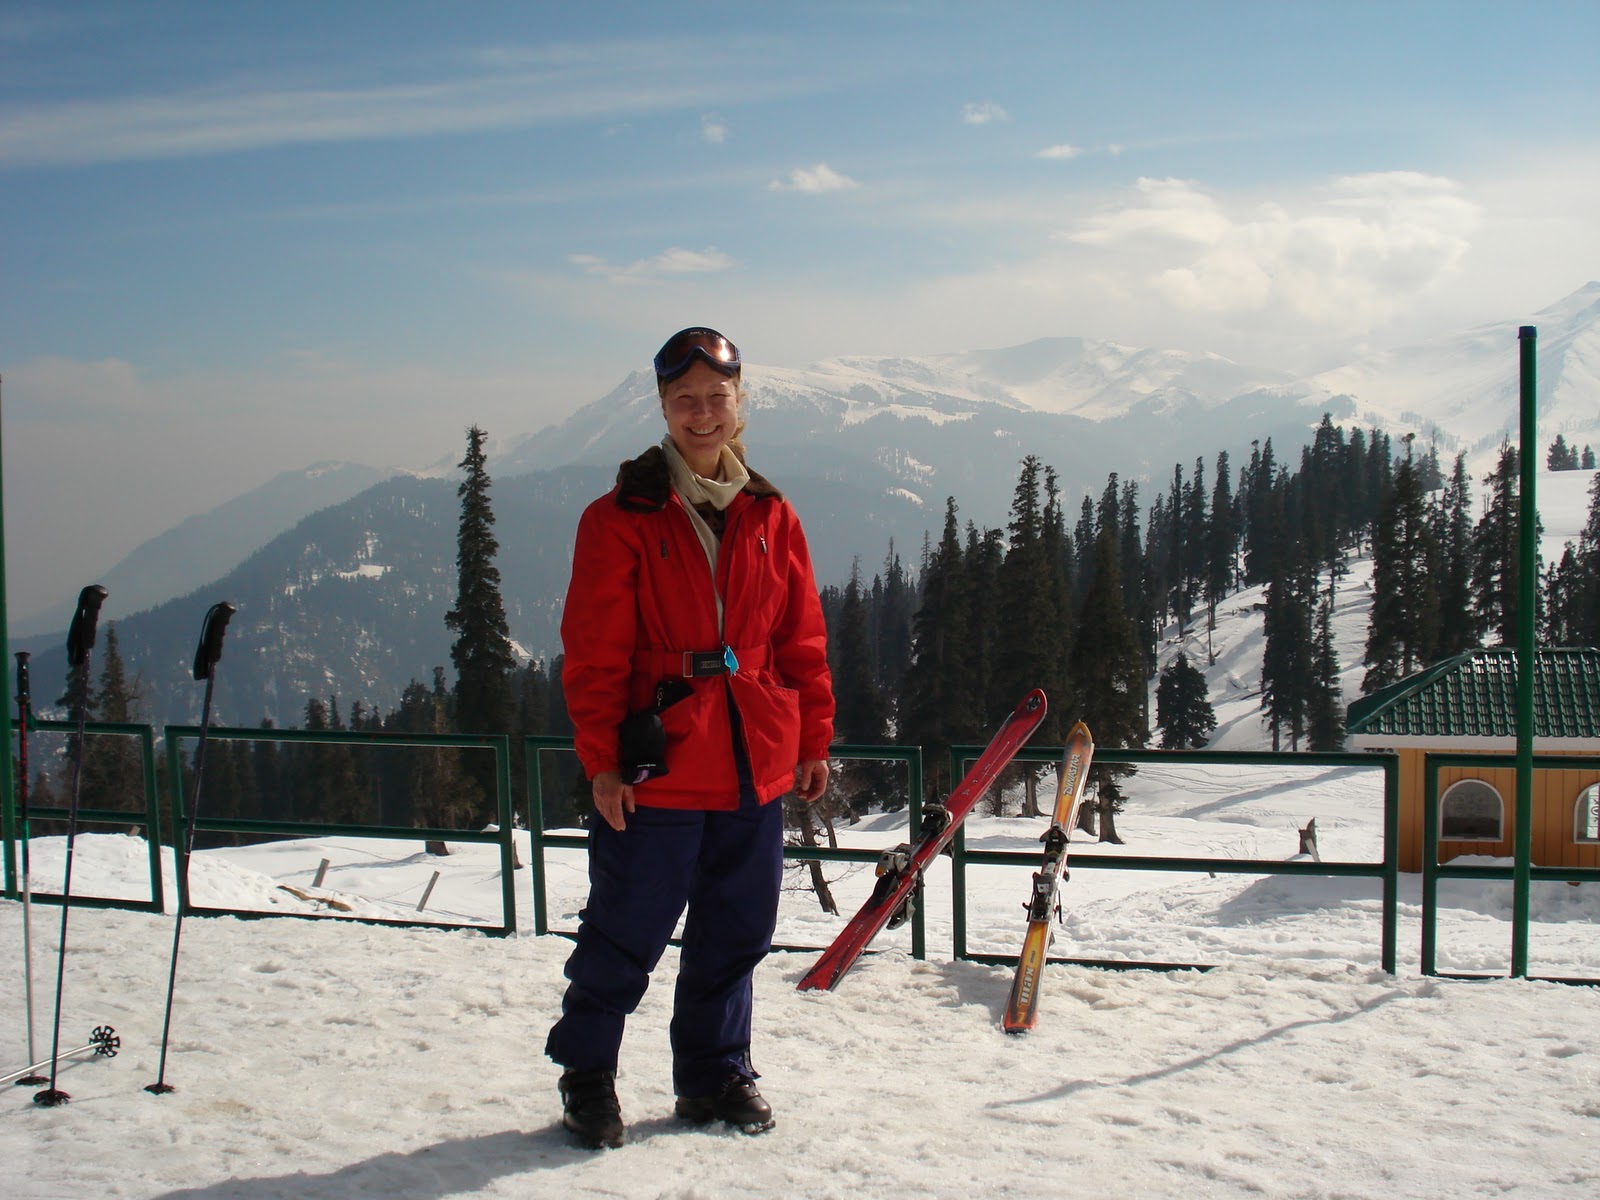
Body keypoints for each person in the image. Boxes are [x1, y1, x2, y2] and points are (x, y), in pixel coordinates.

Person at [546, 326, 835, 1149]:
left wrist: (813, 736)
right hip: (661, 758)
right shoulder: (621, 517)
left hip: (754, 756)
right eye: (685, 400)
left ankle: (714, 1075)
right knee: (627, 927)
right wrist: (603, 761)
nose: (702, 413)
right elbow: (595, 653)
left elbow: (800, 637)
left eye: (716, 397)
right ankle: (587, 1076)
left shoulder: (771, 512)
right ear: (664, 408)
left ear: (740, 403)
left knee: (737, 929)